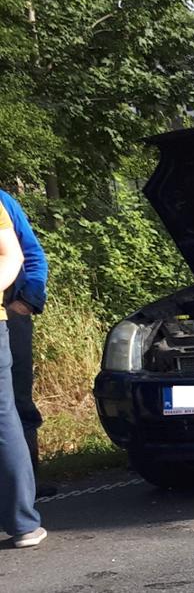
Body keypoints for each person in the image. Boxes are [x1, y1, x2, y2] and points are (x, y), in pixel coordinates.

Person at [0, 204, 45, 548]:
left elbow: (31, 254)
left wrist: (27, 302)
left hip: (11, 312)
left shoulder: (4, 201)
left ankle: (29, 487)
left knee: (16, 404)